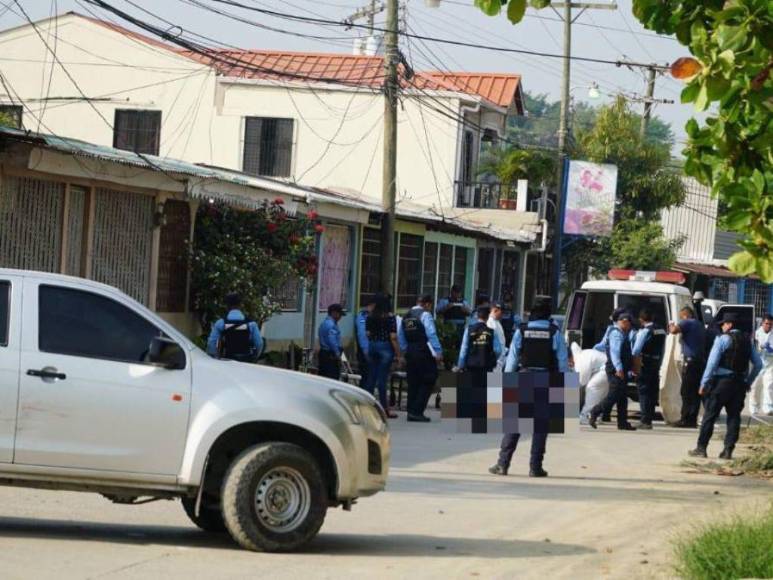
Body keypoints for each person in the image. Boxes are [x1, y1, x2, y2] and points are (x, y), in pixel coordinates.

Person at [489, 300, 569, 477]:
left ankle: (502, 464)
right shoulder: (554, 332)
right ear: (548, 314)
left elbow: (512, 358)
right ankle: (535, 467)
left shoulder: (522, 330)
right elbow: (562, 361)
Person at [689, 312, 762, 459]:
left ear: (729, 325)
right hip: (739, 384)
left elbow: (712, 364)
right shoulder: (747, 341)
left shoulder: (723, 339)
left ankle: (701, 448)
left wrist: (704, 383)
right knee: (734, 417)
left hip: (721, 383)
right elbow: (758, 364)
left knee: (710, 415)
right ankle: (728, 451)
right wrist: (748, 382)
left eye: (723, 324)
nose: (722, 326)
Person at [398, 294, 444, 422]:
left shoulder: (406, 316)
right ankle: (417, 411)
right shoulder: (425, 315)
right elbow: (431, 333)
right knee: (429, 378)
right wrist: (438, 351)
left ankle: (411, 411)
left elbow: (401, 336)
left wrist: (405, 351)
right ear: (427, 304)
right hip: (423, 350)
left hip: (410, 350)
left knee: (413, 381)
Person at [588, 311, 637, 430]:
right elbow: (615, 353)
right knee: (614, 395)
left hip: (620, 368)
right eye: (629, 324)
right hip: (616, 370)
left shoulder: (619, 332)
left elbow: (601, 346)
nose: (630, 326)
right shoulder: (616, 334)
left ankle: (622, 422)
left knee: (622, 397)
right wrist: (619, 368)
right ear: (624, 322)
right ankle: (595, 411)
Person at [668, 306, 707, 428]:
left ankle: (685, 419)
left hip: (690, 362)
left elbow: (674, 331)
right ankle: (692, 419)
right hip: (699, 362)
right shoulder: (699, 324)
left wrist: (671, 325)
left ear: (685, 315)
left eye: (681, 317)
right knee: (695, 392)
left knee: (686, 391)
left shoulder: (687, 322)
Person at [631, 309, 666, 430]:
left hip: (645, 363)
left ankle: (645, 421)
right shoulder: (661, 330)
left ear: (641, 320)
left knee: (644, 392)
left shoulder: (645, 331)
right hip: (656, 363)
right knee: (652, 392)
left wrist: (634, 367)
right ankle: (649, 418)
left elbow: (636, 350)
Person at [366, 295, 400, 418]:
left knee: (371, 378)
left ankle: (367, 407)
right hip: (385, 346)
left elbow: (368, 334)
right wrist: (399, 354)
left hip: (373, 346)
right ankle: (385, 409)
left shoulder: (370, 317)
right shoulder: (390, 317)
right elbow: (393, 337)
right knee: (382, 379)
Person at [206, 292, 263, 362]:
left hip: (227, 360)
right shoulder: (251, 324)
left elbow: (211, 344)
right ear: (241, 305)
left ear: (227, 306)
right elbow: (259, 343)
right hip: (246, 362)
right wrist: (255, 357)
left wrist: (216, 357)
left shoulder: (220, 323)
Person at [455, 306, 503, 374]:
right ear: (488, 317)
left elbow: (464, 349)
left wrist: (460, 365)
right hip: (486, 365)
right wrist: (492, 359)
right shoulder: (492, 331)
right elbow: (498, 350)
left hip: (471, 365)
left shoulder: (468, 330)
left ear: (477, 316)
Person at [750, 314, 773, 416]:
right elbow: (752, 347)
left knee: (769, 385)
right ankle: (754, 407)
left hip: (770, 363)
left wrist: (770, 349)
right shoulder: (756, 334)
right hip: (758, 363)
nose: (768, 326)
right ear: (762, 323)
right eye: (767, 323)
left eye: (771, 324)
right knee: (755, 385)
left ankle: (768, 407)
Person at [318, 304, 344, 380]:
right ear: (334, 313)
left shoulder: (324, 323)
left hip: (324, 354)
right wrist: (337, 354)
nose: (340, 317)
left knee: (324, 378)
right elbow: (332, 341)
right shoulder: (331, 325)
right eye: (339, 314)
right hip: (330, 355)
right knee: (332, 378)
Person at [355, 298, 376, 392]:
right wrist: (366, 351)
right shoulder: (363, 316)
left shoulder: (372, 316)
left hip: (370, 350)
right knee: (367, 376)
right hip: (365, 351)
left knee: (370, 376)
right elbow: (362, 335)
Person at [487, 302, 507, 370]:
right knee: (494, 376)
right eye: (502, 312)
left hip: (500, 360)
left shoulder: (497, 322)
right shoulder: (490, 323)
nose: (502, 314)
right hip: (495, 360)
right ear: (495, 310)